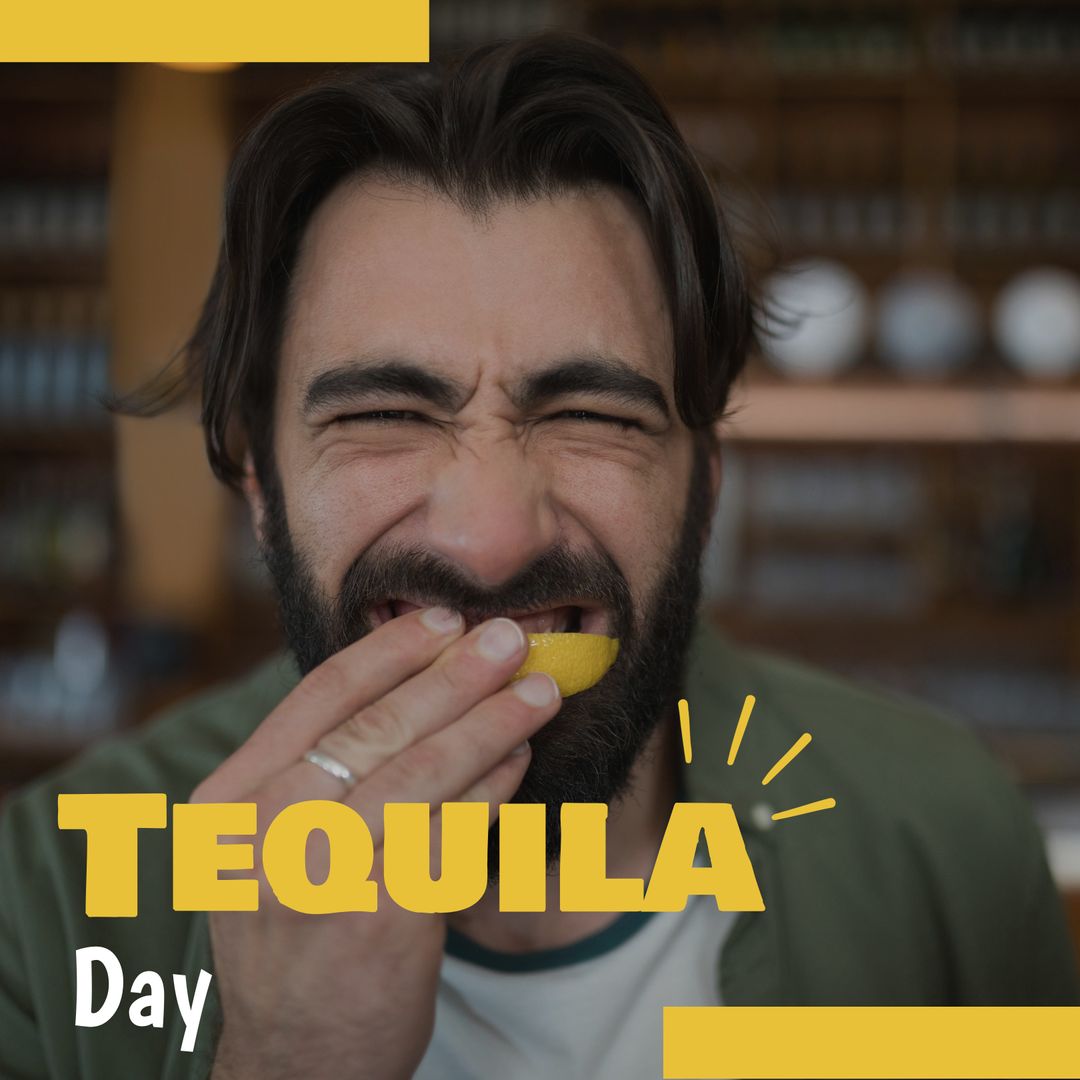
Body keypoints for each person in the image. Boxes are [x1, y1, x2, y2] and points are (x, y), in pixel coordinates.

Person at [1, 32, 1076, 1080]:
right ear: (261, 489)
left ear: (705, 485)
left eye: (592, 417)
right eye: (384, 414)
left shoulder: (947, 842)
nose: (491, 539)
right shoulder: (49, 904)